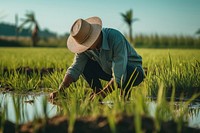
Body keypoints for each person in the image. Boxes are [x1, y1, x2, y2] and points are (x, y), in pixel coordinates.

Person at [50, 16, 144, 100]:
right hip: (109, 71)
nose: (86, 48)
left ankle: (124, 98)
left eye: (88, 44)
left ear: (95, 36)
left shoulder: (115, 38)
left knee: (126, 73)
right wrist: (60, 90)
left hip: (133, 71)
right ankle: (97, 93)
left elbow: (119, 74)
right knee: (85, 66)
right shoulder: (85, 49)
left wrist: (103, 94)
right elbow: (75, 68)